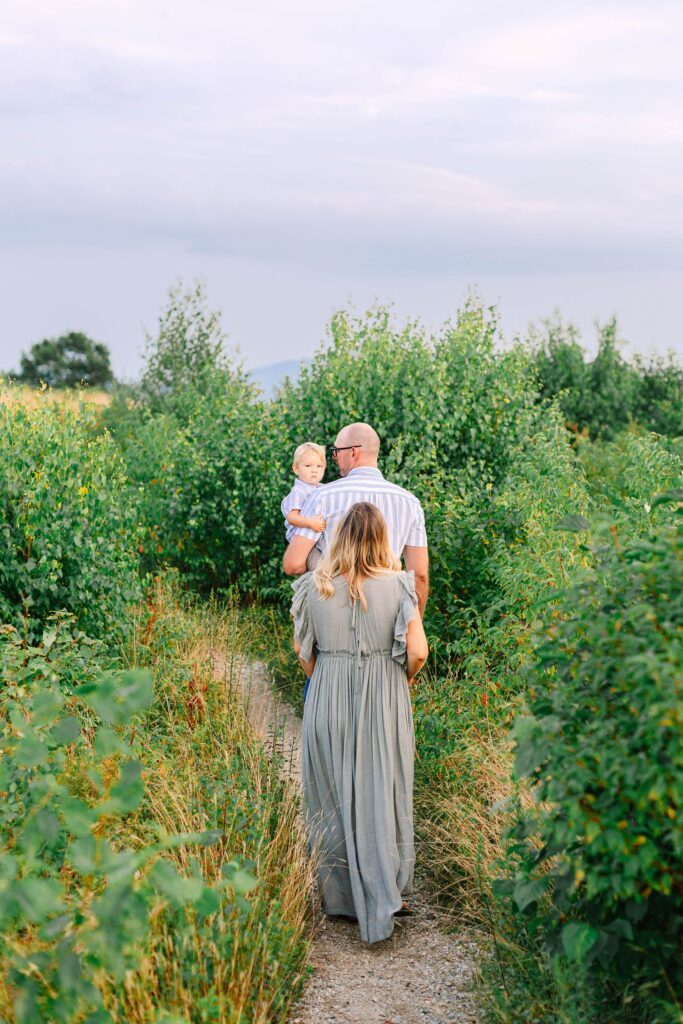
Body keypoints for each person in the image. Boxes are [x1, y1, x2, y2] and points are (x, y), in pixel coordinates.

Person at [291, 502, 429, 944]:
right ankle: (383, 892)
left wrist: (331, 677)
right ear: (381, 538)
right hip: (383, 697)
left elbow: (303, 653)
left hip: (327, 694)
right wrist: (396, 679)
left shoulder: (313, 587)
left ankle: (342, 901)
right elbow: (419, 652)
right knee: (382, 790)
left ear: (340, 538)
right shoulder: (400, 586)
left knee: (330, 795)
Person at [283, 422, 429, 614]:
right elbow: (419, 575)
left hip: (333, 611)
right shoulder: (410, 503)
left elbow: (293, 564)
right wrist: (412, 628)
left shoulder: (321, 496)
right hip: (387, 615)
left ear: (353, 452)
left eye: (336, 451)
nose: (333, 458)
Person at [280, 442, 327, 541]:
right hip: (300, 538)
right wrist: (310, 523)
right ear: (296, 469)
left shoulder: (322, 488)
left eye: (319, 466)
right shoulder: (298, 491)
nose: (314, 470)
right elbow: (292, 518)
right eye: (308, 466)